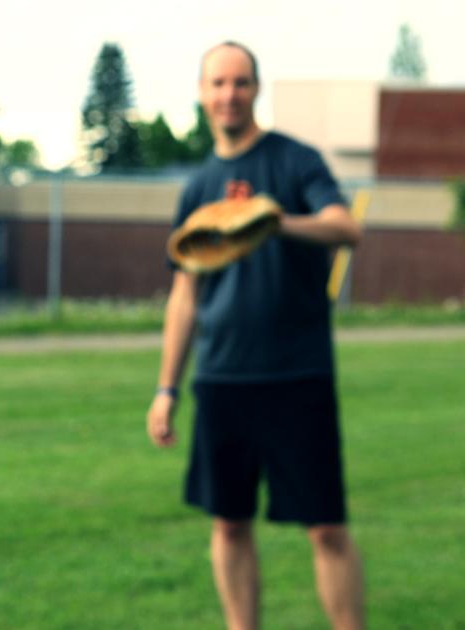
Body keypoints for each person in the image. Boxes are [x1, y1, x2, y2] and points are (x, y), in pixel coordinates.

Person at [145, 42, 365, 630]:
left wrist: (275, 220)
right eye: (218, 83)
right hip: (222, 379)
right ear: (201, 92)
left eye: (240, 82)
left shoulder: (295, 163)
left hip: (297, 374)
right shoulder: (199, 188)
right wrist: (167, 388)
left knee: (325, 526)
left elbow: (346, 227)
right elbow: (183, 296)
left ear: (256, 89)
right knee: (229, 522)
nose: (229, 94)